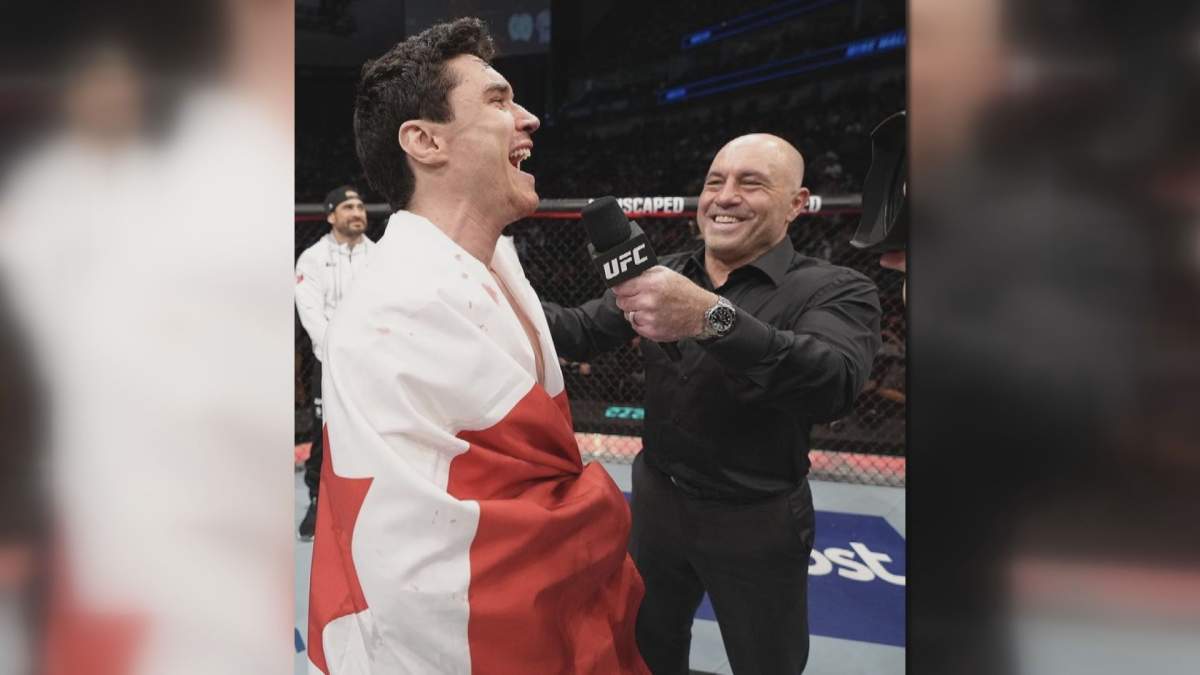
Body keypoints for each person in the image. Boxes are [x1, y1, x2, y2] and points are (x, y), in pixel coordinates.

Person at [306, 18, 648, 674]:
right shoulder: (394, 307)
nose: (529, 118)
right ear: (425, 140)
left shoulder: (495, 265)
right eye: (498, 100)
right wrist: (596, 511)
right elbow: (419, 568)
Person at [543, 133, 882, 674]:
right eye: (714, 182)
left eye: (751, 183)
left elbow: (833, 382)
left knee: (766, 660)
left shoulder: (837, 288)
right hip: (657, 501)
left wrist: (712, 317)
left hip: (756, 517)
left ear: (797, 204)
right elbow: (581, 330)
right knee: (648, 642)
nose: (724, 197)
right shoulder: (662, 274)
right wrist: (489, 284)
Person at [294, 184, 373, 540]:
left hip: (374, 359)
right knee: (325, 433)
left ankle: (372, 506)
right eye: (348, 207)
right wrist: (339, 353)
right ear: (331, 216)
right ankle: (317, 498)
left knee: (377, 431)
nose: (357, 213)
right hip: (330, 361)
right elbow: (311, 314)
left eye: (360, 206)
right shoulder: (312, 258)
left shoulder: (379, 255)